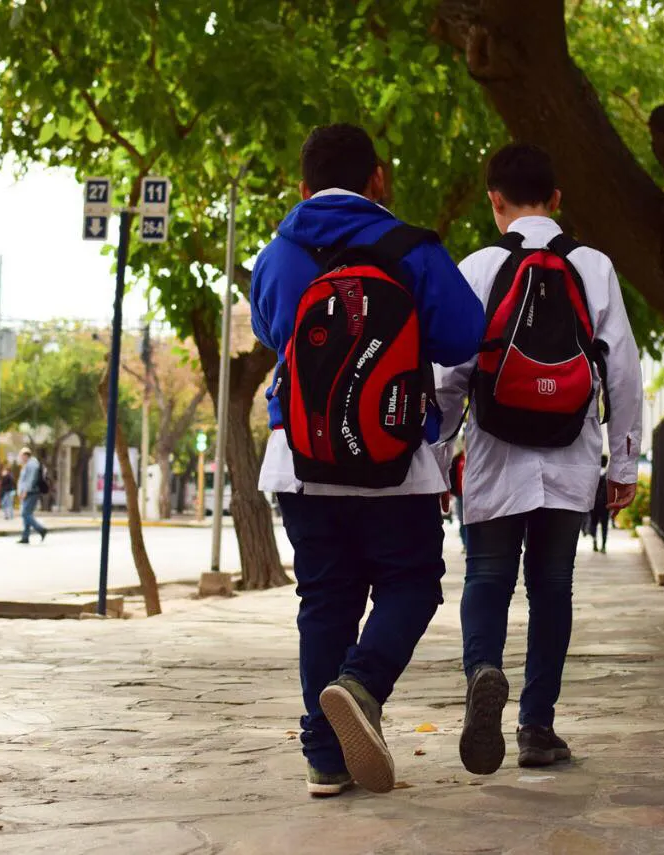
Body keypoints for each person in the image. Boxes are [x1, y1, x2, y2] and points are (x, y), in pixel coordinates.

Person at [250, 123, 484, 798]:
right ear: (378, 178)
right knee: (410, 584)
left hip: (299, 457)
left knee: (325, 598)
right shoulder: (412, 248)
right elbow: (465, 334)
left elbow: (274, 331)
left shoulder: (279, 251)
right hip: (394, 458)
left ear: (302, 186)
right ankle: (361, 682)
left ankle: (325, 759)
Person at [436, 143, 643, 775]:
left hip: (496, 458)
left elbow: (448, 374)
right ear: (557, 200)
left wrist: (440, 452)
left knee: (486, 579)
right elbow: (625, 373)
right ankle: (536, 726)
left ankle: (483, 673)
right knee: (553, 588)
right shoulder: (593, 267)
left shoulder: (475, 268)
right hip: (570, 455)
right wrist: (623, 464)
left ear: (495, 201)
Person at [16, 448, 48, 544]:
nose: (21, 458)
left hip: (31, 492)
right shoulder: (29, 464)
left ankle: (41, 529)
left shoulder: (32, 464)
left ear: (26, 455)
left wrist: (25, 491)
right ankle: (25, 537)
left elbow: (30, 479)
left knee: (25, 513)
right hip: (29, 492)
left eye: (21, 456)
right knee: (27, 514)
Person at [590, 455, 611, 553]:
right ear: (606, 462)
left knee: (593, 523)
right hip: (605, 505)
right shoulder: (608, 475)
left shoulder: (593, 474)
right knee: (604, 525)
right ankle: (603, 546)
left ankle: (594, 541)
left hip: (594, 504)